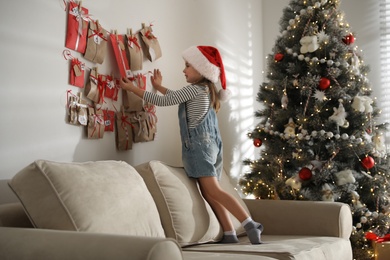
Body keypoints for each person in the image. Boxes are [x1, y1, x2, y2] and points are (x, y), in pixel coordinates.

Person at [120, 45, 263, 244]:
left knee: (213, 191)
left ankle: (249, 223)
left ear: (202, 70)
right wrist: (159, 86)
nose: (183, 70)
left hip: (200, 147)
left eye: (188, 65)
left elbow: (166, 101)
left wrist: (132, 88)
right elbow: (176, 96)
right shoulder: (204, 91)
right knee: (209, 192)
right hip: (213, 146)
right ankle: (229, 233)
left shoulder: (195, 89)